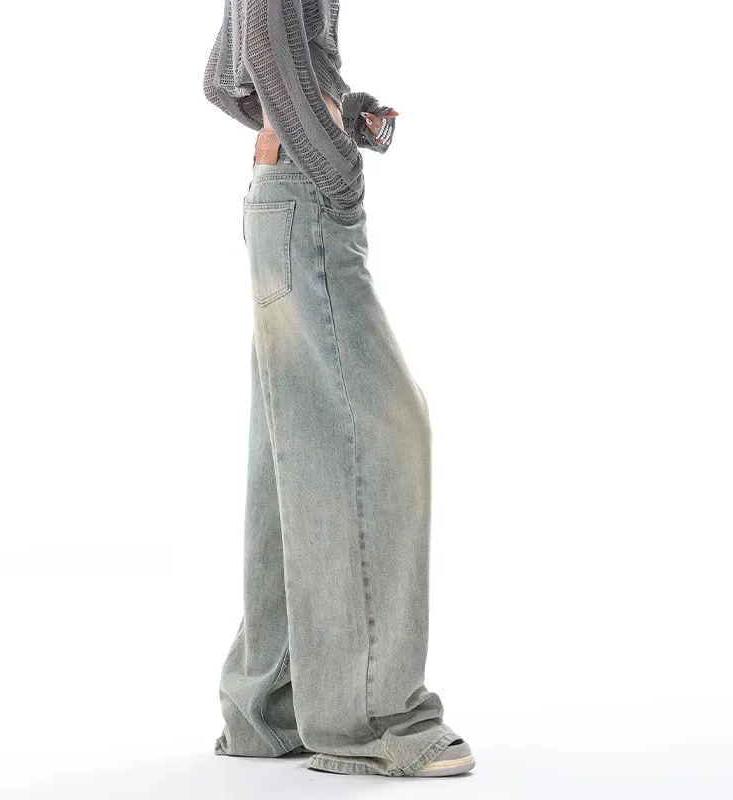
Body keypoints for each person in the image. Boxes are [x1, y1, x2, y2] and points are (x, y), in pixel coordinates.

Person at [202, 0, 474, 778]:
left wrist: (334, 112)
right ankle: (369, 714)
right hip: (306, 195)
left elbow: (223, 77)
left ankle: (272, 703)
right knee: (382, 434)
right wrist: (333, 165)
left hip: (281, 192)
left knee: (295, 442)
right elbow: (261, 47)